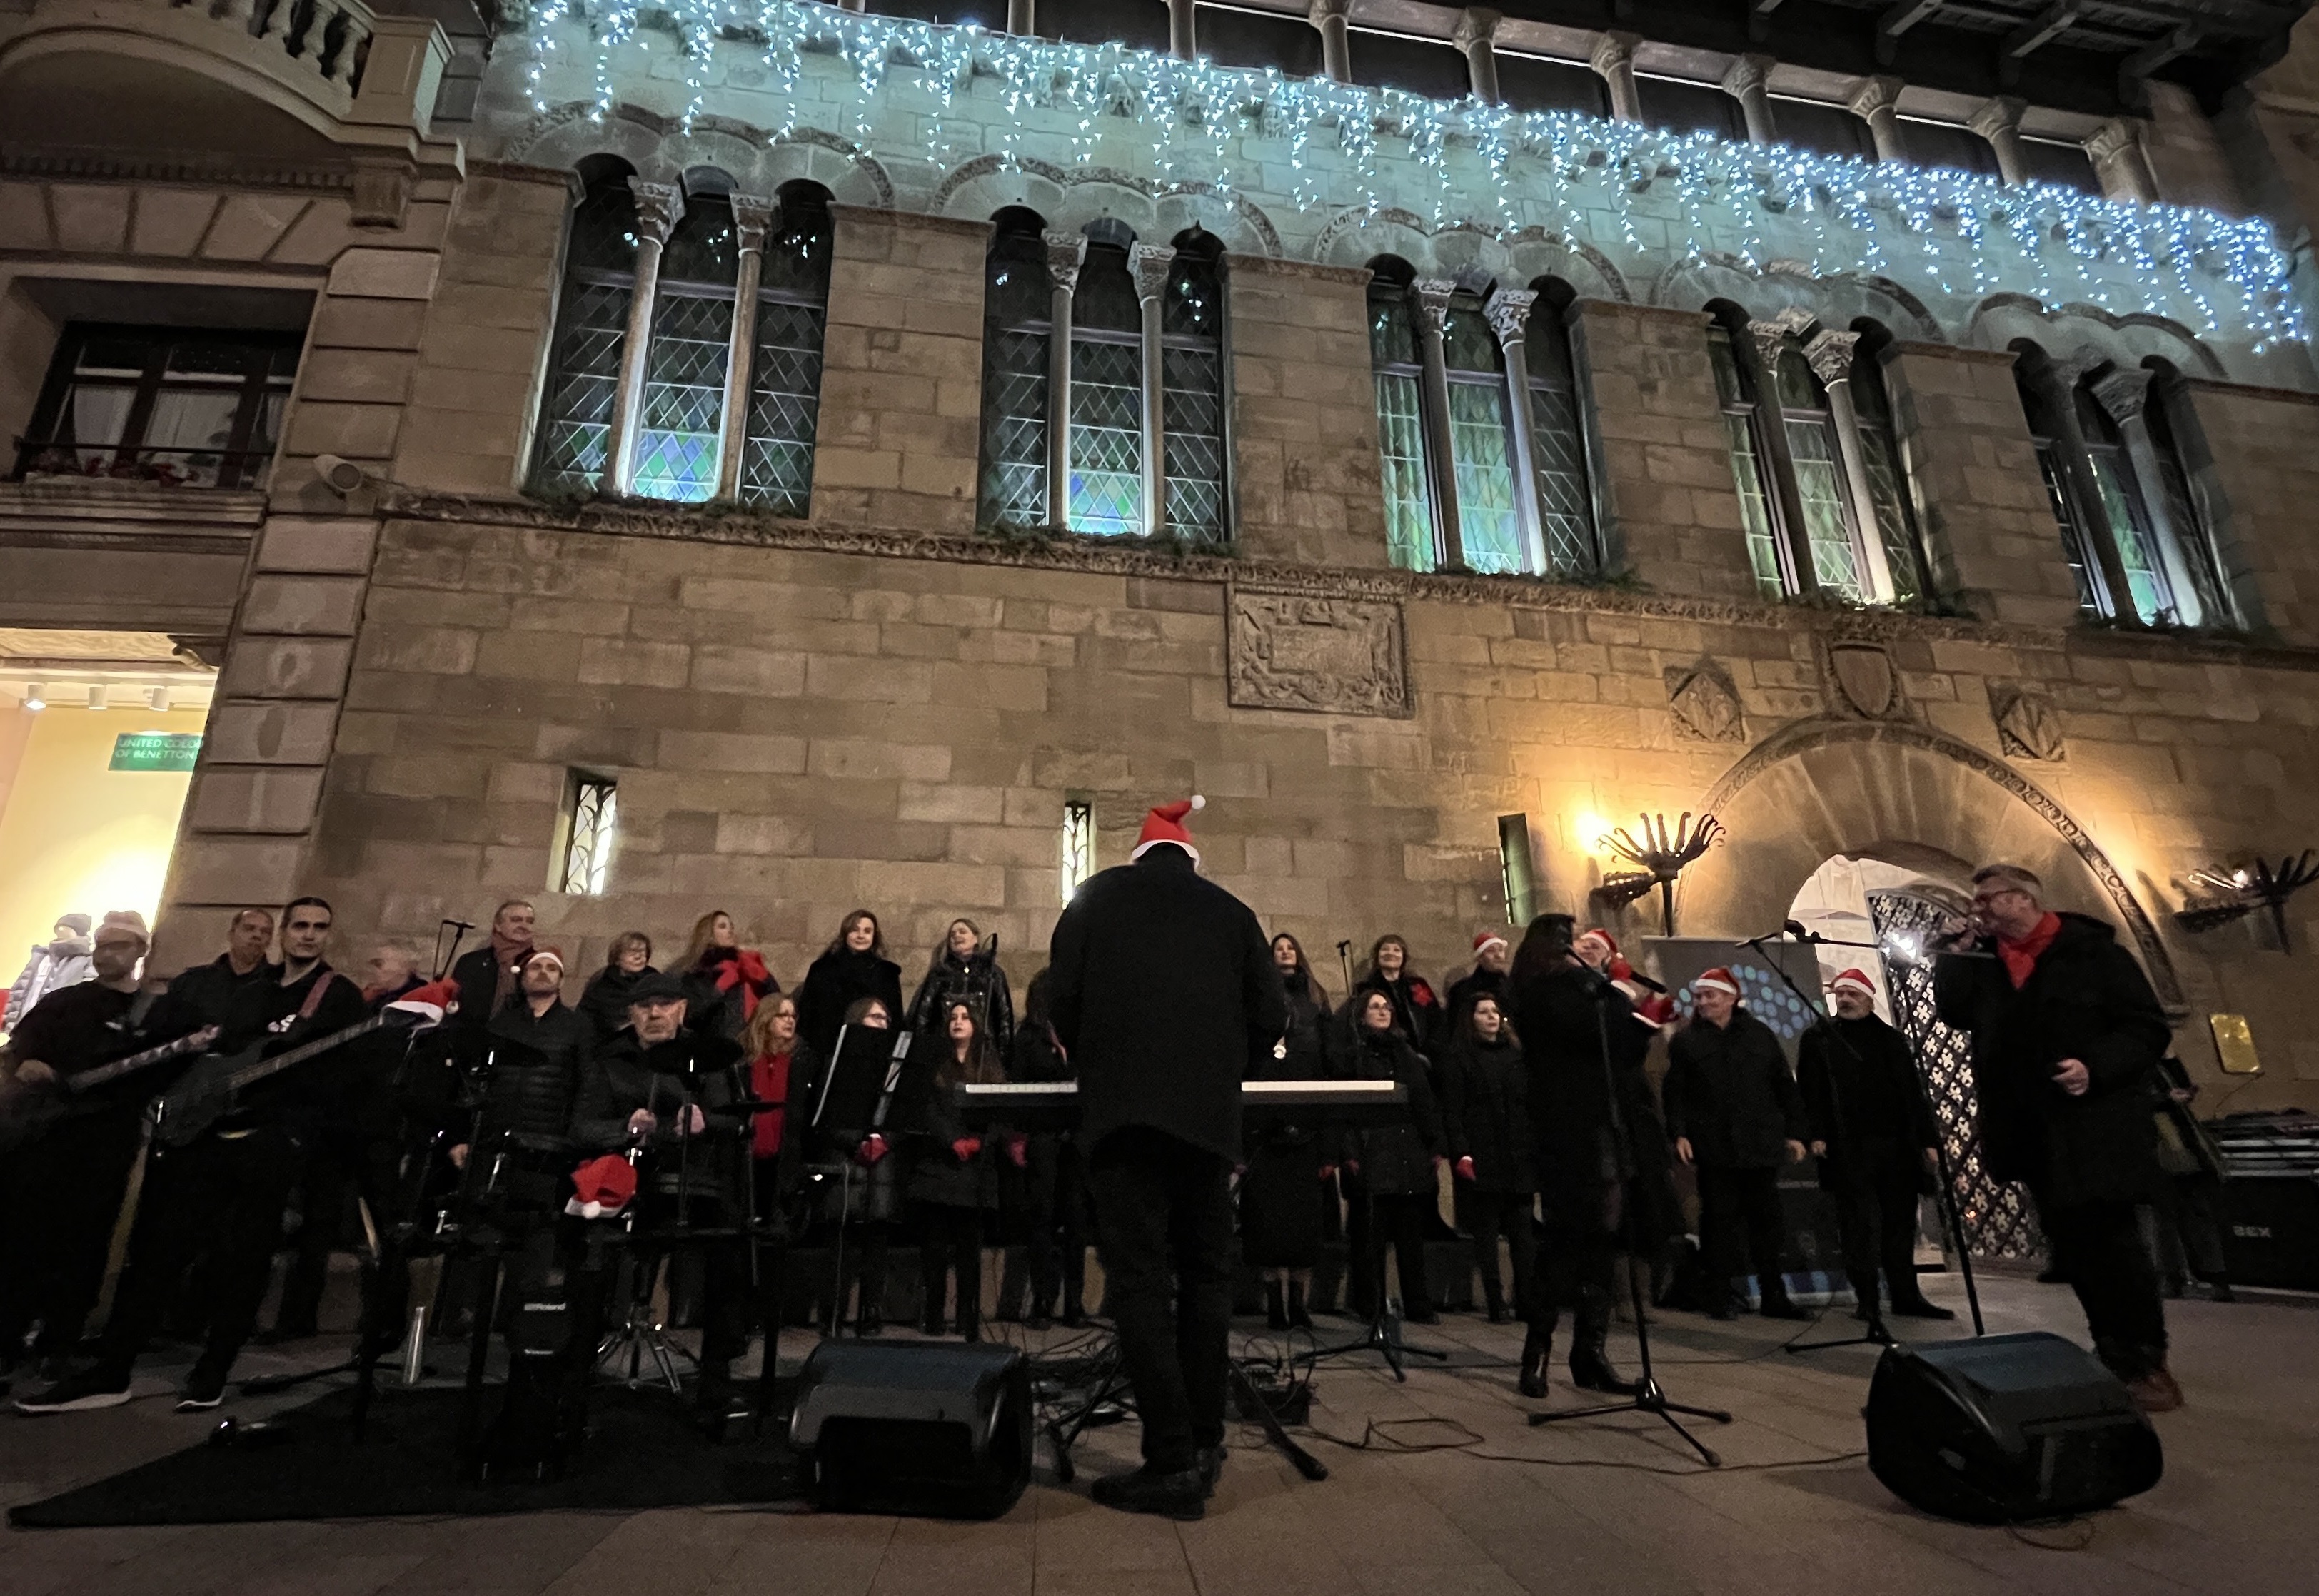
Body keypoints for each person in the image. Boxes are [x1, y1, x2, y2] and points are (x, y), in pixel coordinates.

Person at [20, 897, 373, 1413]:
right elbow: (214, 1052)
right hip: (209, 1133)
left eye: (320, 927)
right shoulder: (255, 990)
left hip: (272, 1139)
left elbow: (348, 1075)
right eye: (300, 925)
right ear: (284, 932)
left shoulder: (337, 996)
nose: (309, 934)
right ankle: (112, 1370)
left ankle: (213, 1372)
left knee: (244, 1260)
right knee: (158, 1252)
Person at [1047, 795, 1287, 1520]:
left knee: (1141, 1282)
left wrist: (1098, 1059)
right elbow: (1272, 1016)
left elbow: (1062, 1000)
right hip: (1206, 1127)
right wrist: (1223, 1073)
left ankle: (1171, 1459)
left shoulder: (1094, 900)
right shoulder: (1232, 913)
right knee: (1207, 1279)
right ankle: (1204, 1441)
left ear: (1138, 854)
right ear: (1189, 857)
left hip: (1122, 1121)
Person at [1933, 863, 2178, 1410]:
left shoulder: (2094, 955)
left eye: (1988, 899)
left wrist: (2095, 1066)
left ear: (2023, 899)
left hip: (2095, 1126)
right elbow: (1954, 1013)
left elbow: (2146, 1027)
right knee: (2074, 1251)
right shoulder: (1986, 961)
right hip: (2032, 1131)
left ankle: (2147, 1361)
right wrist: (1953, 955)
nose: (1978, 909)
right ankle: (2111, 1352)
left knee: (2114, 1246)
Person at [0, 913, 201, 1385]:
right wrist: (29, 1062)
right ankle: (8, 1338)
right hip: (45, 1135)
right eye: (103, 945)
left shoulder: (160, 1014)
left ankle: (60, 1342)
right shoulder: (65, 1001)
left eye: (119, 946)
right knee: (25, 1237)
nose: (107, 954)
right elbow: (23, 1045)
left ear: (140, 952)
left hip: (106, 1141)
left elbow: (180, 1064)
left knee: (86, 1242)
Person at [1506, 914, 1677, 1397]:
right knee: (1563, 1241)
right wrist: (1618, 995)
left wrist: (1644, 1024)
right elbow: (1582, 1029)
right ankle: (1537, 1352)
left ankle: (1590, 1353)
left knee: (1604, 1238)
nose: (1583, 948)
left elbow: (1615, 1051)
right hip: (1565, 1130)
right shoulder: (1545, 992)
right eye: (1574, 940)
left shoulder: (1590, 990)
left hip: (1605, 1127)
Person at [570, 972, 751, 1418]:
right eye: (645, 1006)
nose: (655, 1013)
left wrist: (705, 1121)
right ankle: (574, 1376)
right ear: (631, 1013)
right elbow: (582, 1127)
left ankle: (716, 1379)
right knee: (589, 1256)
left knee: (730, 1251)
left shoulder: (708, 1058)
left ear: (682, 1010)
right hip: (626, 1184)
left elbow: (735, 1120)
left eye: (665, 1004)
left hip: (694, 1182)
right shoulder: (609, 1059)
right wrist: (625, 1127)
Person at [1796, 969, 1951, 1323]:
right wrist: (1816, 1134)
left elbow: (1912, 1094)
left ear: (1869, 998)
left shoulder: (1891, 1040)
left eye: (1852, 994)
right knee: (1859, 1226)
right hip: (1848, 1148)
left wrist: (1927, 1141)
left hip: (1897, 1148)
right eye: (1840, 994)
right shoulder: (1820, 1039)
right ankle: (1867, 1298)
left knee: (1900, 1225)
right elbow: (1810, 1092)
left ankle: (1906, 1295)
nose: (1845, 1000)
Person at [1661, 967, 1810, 1322]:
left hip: (1760, 1143)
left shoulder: (1760, 1035)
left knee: (1767, 1224)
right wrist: (1679, 1133)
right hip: (1715, 1146)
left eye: (1710, 995)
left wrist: (1795, 1132)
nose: (1703, 1002)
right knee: (1719, 1223)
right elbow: (1675, 1093)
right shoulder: (1686, 1041)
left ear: (1731, 998)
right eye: (1699, 996)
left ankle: (1774, 1295)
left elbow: (1783, 1086)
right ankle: (1719, 1295)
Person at [1334, 989, 1446, 1327]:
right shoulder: (1352, 1057)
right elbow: (1344, 1110)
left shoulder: (1406, 1053)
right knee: (1370, 1237)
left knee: (1411, 1238)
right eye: (1375, 1007)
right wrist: (1349, 1152)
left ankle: (1417, 1303)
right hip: (1371, 1153)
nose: (1383, 1012)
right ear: (1361, 1014)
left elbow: (1424, 1101)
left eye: (1387, 1007)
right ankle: (1369, 1304)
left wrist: (1434, 1144)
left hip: (1407, 1153)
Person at [906, 1000, 1013, 1339]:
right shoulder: (936, 1064)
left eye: (965, 1017)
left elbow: (1000, 1113)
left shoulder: (989, 1066)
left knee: (969, 1252)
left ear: (977, 1025)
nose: (958, 1021)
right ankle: (934, 1315)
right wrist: (952, 1140)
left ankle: (968, 1317)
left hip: (974, 1173)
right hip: (938, 1168)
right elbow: (928, 1109)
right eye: (953, 1016)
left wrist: (979, 1142)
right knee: (935, 1249)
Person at [1241, 934, 1332, 1330]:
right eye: (1277, 948)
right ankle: (1274, 1304)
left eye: (1290, 947)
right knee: (1268, 1226)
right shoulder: (1256, 1000)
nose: (1284, 952)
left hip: (1305, 1131)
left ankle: (1299, 1302)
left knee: (1302, 1228)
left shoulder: (1315, 1000)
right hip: (1266, 1134)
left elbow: (1326, 1066)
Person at [1438, 994, 1536, 1325]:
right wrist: (1462, 1152)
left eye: (1495, 1011)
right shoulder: (1460, 1059)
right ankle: (1496, 1300)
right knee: (1487, 1234)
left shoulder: (1516, 1056)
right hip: (1483, 1153)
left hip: (1517, 1154)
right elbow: (1454, 1111)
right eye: (1484, 1012)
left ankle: (1526, 1299)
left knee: (1523, 1235)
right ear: (1471, 1019)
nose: (1492, 1017)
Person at [1011, 969, 1090, 1327]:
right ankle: (1043, 1300)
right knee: (1042, 1219)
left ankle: (1074, 1302)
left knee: (1076, 1221)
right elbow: (1020, 1086)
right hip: (1043, 1136)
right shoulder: (1029, 1038)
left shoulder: (1080, 1036)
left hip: (1075, 1138)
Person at [2147, 1056, 2232, 1303]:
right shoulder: (2130, 1065)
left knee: (2198, 1214)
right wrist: (2166, 1099)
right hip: (2158, 1147)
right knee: (2165, 1219)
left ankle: (2216, 1278)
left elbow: (2180, 1086)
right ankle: (2172, 1278)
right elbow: (2127, 1104)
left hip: (2187, 1145)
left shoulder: (2163, 1064)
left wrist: (2183, 1087)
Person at [796, 911, 905, 1064]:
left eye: (867, 931)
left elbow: (895, 1017)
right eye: (855, 930)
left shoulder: (886, 973)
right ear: (845, 933)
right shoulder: (823, 969)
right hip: (826, 1050)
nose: (861, 936)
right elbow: (807, 1012)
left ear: (874, 936)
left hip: (870, 1052)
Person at [907, 917, 1015, 1063]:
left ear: (975, 938)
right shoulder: (939, 974)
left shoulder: (992, 973)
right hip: (945, 1052)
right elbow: (923, 1015)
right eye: (952, 934)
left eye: (962, 932)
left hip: (983, 1053)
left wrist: (1003, 1057)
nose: (957, 936)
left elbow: (1004, 1017)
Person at [164, 906, 276, 1029]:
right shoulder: (191, 983)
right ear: (231, 935)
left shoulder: (277, 984)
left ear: (270, 941)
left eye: (266, 932)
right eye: (249, 929)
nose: (257, 935)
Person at [677, 910, 778, 1043]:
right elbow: (691, 1016)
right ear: (709, 935)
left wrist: (763, 978)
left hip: (752, 1043)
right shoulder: (696, 972)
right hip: (713, 1045)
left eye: (732, 927)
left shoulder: (746, 963)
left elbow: (776, 1001)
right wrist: (719, 990)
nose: (730, 931)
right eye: (723, 927)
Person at [451, 900, 536, 1046]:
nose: (524, 926)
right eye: (516, 920)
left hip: (518, 1045)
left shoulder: (538, 964)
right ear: (498, 925)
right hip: (470, 1043)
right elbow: (457, 1006)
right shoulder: (471, 962)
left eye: (529, 921)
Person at [1355, 934, 1441, 1061]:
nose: (1391, 953)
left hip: (1425, 1056)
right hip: (1387, 1056)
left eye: (1397, 950)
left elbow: (1436, 1018)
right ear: (1377, 956)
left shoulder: (1419, 986)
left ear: (1403, 957)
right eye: (1385, 949)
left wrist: (1430, 1051)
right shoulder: (1365, 989)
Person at [5, 914, 93, 1032]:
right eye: (58, 928)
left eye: (67, 928)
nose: (60, 931)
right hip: (23, 1028)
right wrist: (11, 1025)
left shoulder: (87, 961)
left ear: (78, 932)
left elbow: (88, 998)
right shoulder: (41, 958)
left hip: (58, 1032)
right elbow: (20, 990)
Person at [579, 931, 657, 1044]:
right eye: (632, 952)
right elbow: (584, 1024)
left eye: (642, 952)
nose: (638, 957)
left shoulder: (655, 983)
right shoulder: (601, 985)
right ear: (618, 958)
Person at [1444, 930, 1510, 1029]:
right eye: (1491, 951)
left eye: (1501, 950)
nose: (1498, 956)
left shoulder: (1512, 988)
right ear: (1480, 958)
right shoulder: (1462, 991)